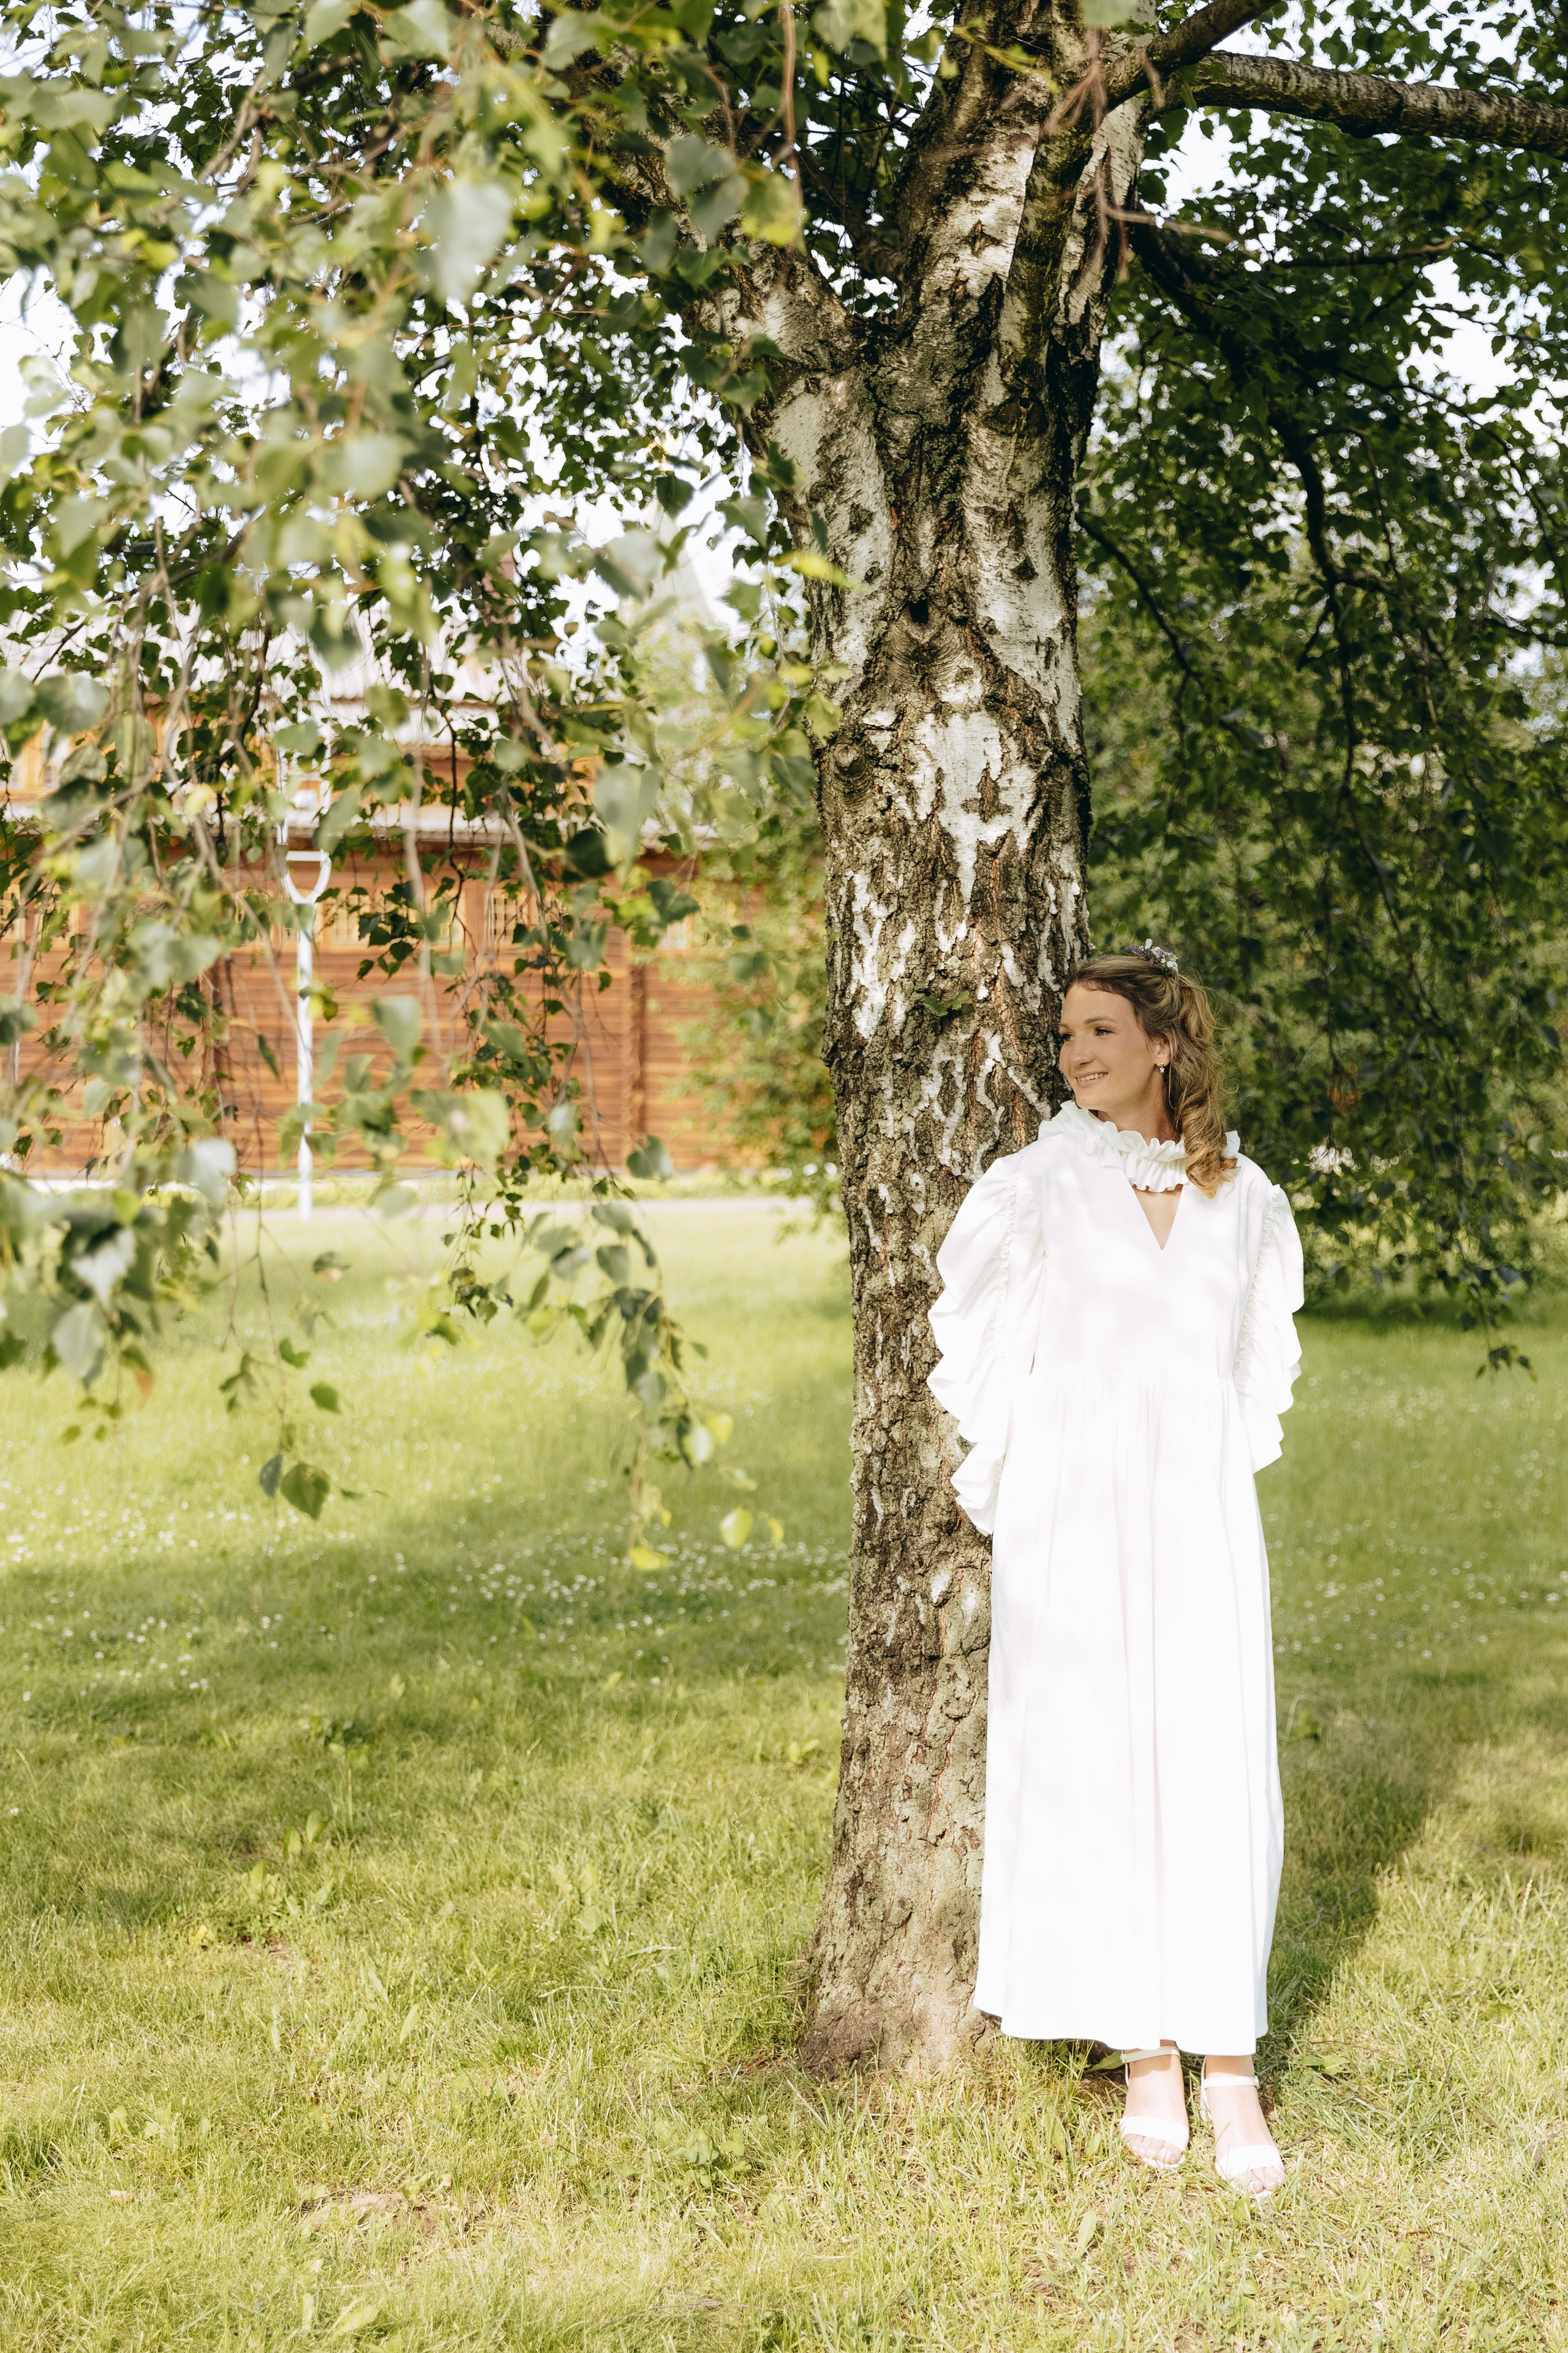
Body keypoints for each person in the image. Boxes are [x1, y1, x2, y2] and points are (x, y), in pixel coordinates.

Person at [927, 946, 1303, 2197]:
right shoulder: (1035, 1187)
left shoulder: (1244, 1196)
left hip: (1198, 1513)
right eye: (1063, 1035)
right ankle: (1145, 2054)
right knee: (1099, 1767)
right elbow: (989, 1361)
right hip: (1075, 1517)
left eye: (1098, 1030)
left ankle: (1228, 2061)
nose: (1074, 1053)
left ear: (1162, 1042)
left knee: (1211, 1765)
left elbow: (1242, 1379)